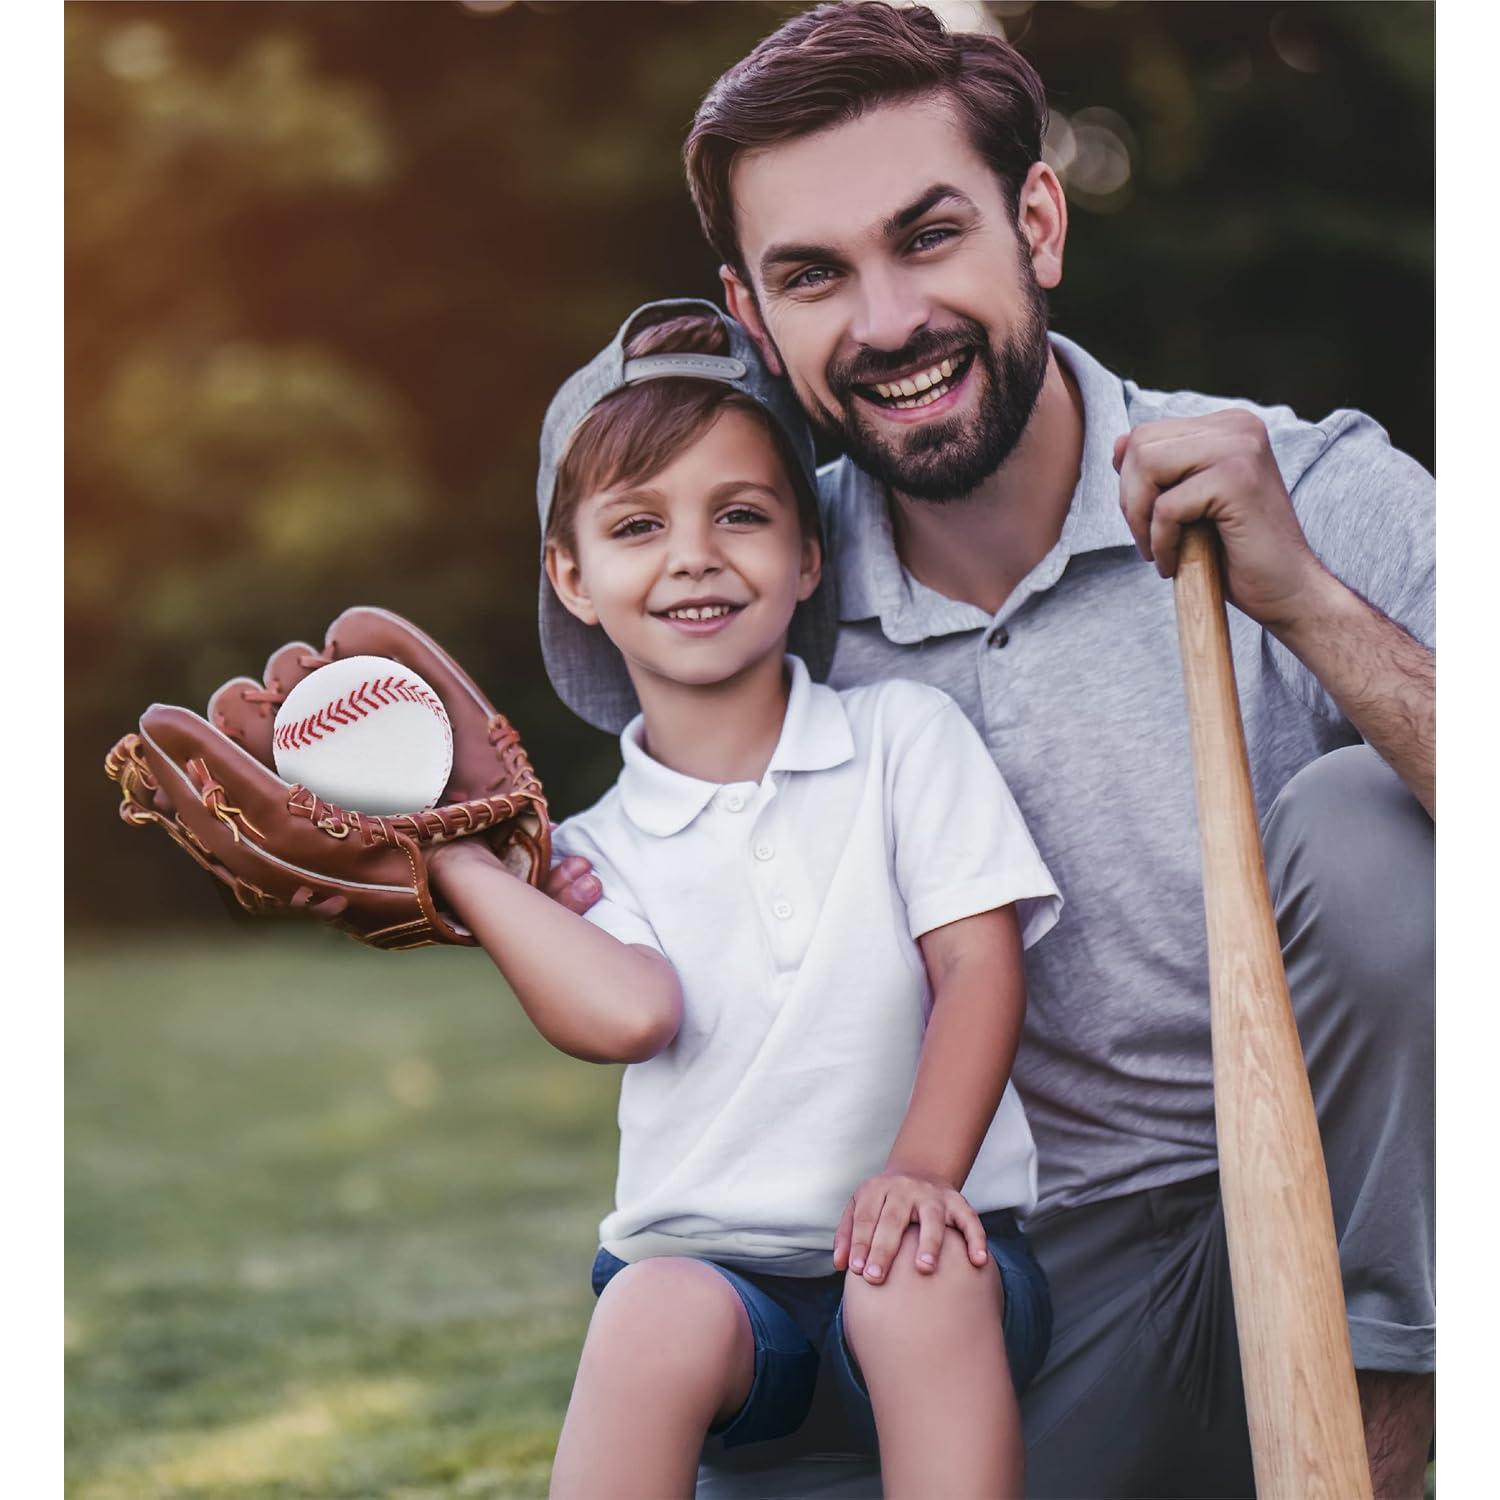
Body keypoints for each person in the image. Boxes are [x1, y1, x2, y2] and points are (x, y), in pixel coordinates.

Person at [547, 6, 1435, 1497]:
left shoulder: (1303, 487)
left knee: (1368, 827)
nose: (888, 320)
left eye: (928, 235)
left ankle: (1388, 1452)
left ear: (1038, 222)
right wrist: (425, 831)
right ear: (752, 316)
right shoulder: (760, 576)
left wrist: (1306, 601)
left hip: (1339, 1225)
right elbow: (620, 809)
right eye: (814, 275)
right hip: (1000, 1277)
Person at [428, 298, 1063, 1500]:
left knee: (917, 1277)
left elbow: (980, 965)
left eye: (742, 514)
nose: (694, 555)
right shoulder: (588, 854)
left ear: (809, 553)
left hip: (938, 1251)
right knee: (650, 1313)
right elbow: (629, 1014)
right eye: (637, 524)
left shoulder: (902, 739)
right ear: (571, 574)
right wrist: (460, 866)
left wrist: (922, 1169)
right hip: (725, 1305)